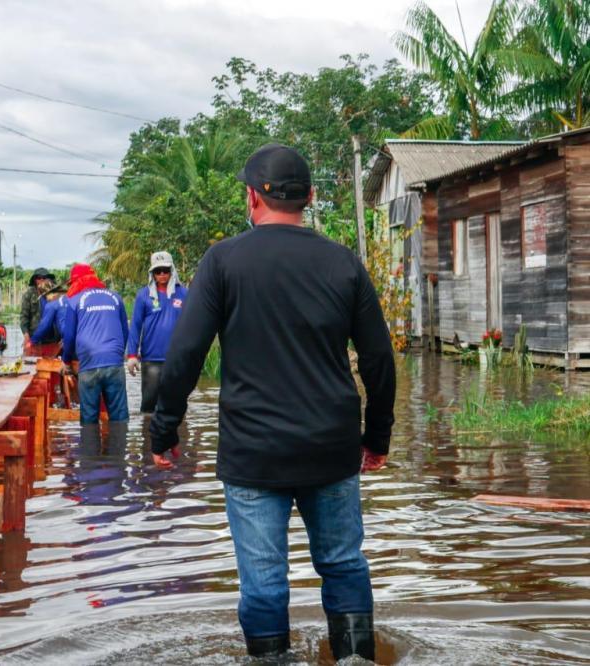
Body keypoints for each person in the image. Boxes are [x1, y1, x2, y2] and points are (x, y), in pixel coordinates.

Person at [149, 144, 396, 661]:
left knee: (263, 584)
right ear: (308, 197)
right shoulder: (342, 263)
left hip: (253, 454)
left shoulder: (223, 262)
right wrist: (376, 438)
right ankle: (356, 658)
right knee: (345, 565)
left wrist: (164, 430)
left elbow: (186, 354)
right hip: (331, 449)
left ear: (251, 198)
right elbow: (377, 358)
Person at [62, 264, 129, 425]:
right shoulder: (115, 297)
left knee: (89, 416)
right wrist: (118, 354)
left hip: (89, 364)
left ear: (76, 281)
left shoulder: (74, 300)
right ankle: (119, 449)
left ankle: (89, 449)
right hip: (114, 362)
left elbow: (69, 336)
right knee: (119, 416)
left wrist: (66, 361)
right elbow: (125, 330)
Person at [126, 251, 188, 414]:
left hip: (177, 359)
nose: (162, 274)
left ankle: (179, 438)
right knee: (148, 406)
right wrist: (132, 356)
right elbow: (135, 327)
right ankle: (147, 437)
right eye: (157, 271)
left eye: (165, 270)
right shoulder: (143, 295)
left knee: (176, 405)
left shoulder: (184, 293)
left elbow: (192, 325)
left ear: (172, 270)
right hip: (151, 359)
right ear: (152, 273)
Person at [21, 268, 57, 353]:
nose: (41, 280)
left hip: (53, 338)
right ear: (34, 280)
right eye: (39, 278)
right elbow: (24, 316)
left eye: (44, 278)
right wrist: (26, 335)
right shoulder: (29, 294)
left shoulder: (55, 294)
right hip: (35, 337)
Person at [29, 286, 67, 354]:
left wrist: (31, 342)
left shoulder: (53, 304)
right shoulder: (71, 299)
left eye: (46, 297)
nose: (47, 300)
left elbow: (44, 326)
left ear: (52, 294)